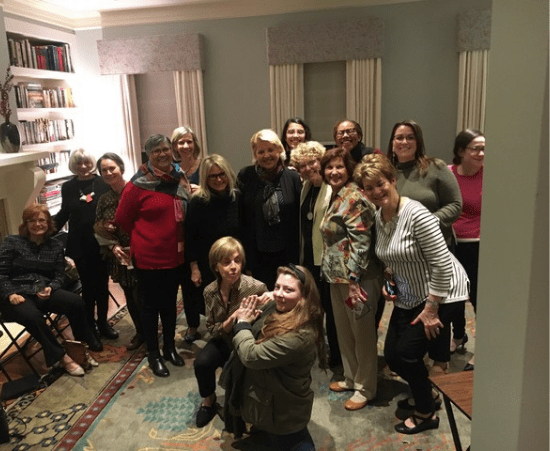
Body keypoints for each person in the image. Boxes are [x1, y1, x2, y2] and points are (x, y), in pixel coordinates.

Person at [356, 153, 469, 434]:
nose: (376, 191)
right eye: (369, 188)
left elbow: (441, 263)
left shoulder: (417, 214)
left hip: (444, 292)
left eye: (380, 184)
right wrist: (390, 278)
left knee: (407, 353)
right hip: (411, 292)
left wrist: (432, 308)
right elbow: (393, 256)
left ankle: (426, 412)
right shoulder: (380, 216)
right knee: (393, 355)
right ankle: (427, 393)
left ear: (392, 180)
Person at [386, 120, 463, 374]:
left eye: (410, 137)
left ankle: (440, 362)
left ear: (418, 141)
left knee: (437, 305)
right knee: (411, 303)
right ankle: (413, 354)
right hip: (404, 254)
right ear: (392, 142)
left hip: (436, 248)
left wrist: (424, 224)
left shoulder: (435, 167)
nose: (404, 142)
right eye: (399, 137)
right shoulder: (388, 172)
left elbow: (455, 205)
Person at [115, 134, 189, 378]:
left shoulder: (179, 177)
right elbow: (122, 220)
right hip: (149, 257)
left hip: (175, 254)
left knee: (169, 305)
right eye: (156, 151)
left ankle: (169, 348)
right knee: (149, 308)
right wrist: (147, 236)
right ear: (148, 155)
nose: (162, 154)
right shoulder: (137, 185)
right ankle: (153, 353)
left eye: (165, 149)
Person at [230, 264, 327, 450]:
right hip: (269, 393)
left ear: (304, 296)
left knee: (291, 438)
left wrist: (242, 324)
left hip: (284, 405)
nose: (279, 294)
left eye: (288, 289)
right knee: (266, 431)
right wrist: (268, 300)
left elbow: (251, 355)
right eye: (277, 287)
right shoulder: (284, 308)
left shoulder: (299, 336)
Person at [0, 205, 102, 376]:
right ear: (25, 224)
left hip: (41, 289)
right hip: (15, 293)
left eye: (42, 220)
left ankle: (80, 348)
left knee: (76, 302)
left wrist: (51, 287)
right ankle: (62, 358)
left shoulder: (55, 245)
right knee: (33, 316)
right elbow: (1, 273)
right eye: (32, 221)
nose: (37, 224)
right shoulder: (12, 242)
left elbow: (59, 275)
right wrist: (10, 294)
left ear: (48, 223)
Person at [319, 147, 383, 411]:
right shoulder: (336, 196)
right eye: (329, 167)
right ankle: (350, 377)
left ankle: (365, 387)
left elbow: (361, 243)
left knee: (362, 334)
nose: (334, 172)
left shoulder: (354, 197)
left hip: (359, 278)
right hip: (337, 277)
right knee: (344, 332)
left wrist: (354, 280)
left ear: (349, 169)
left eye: (339, 167)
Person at [194, 237, 268, 428]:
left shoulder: (256, 288)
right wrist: (232, 319)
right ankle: (209, 399)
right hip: (224, 339)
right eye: (226, 262)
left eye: (237, 261)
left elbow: (266, 327)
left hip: (248, 343)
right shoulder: (209, 291)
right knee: (202, 362)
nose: (234, 267)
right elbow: (212, 329)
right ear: (216, 266)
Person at [54, 149, 116, 344]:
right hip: (80, 245)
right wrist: (46, 230)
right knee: (88, 287)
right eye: (78, 163)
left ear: (92, 163)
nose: (83, 167)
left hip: (101, 243)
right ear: (73, 165)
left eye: (86, 162)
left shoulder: (102, 182)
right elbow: (64, 213)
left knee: (102, 285)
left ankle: (103, 323)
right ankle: (90, 326)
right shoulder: (68, 187)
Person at [290, 141, 341, 368]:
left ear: (321, 161)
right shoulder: (306, 187)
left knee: (331, 309)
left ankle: (336, 356)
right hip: (309, 258)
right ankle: (318, 347)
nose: (308, 168)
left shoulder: (332, 189)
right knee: (313, 307)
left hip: (327, 259)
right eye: (302, 165)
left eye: (312, 162)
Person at [183, 154, 241, 344]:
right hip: (207, 261)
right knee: (210, 300)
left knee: (233, 299)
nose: (218, 179)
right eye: (212, 176)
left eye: (221, 174)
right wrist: (194, 268)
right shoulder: (197, 201)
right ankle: (211, 335)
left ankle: (232, 333)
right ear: (205, 179)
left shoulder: (237, 197)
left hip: (233, 259)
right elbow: (190, 237)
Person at [237, 129, 301, 290]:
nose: (267, 155)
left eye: (271, 150)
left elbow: (298, 219)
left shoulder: (292, 178)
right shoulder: (245, 176)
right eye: (261, 151)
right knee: (261, 298)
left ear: (279, 149)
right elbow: (241, 217)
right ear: (255, 154)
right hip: (257, 254)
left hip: (287, 254)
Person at [94, 153, 144, 351]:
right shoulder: (103, 199)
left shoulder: (136, 191)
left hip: (141, 252)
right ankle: (140, 332)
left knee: (143, 295)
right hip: (119, 256)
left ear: (121, 169)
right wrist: (112, 245)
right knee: (130, 296)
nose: (108, 173)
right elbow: (98, 225)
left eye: (112, 168)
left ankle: (152, 332)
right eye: (104, 170)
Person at [449, 129, 485, 371]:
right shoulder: (448, 174)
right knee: (453, 295)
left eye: (483, 149)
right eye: (475, 149)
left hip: (478, 245)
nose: (481, 153)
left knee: (478, 298)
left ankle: (483, 347)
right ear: (461, 151)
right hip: (452, 245)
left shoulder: (489, 176)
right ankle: (459, 335)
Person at [171, 126, 202, 190]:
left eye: (189, 142)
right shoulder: (175, 167)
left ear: (194, 144)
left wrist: (201, 190)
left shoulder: (204, 166)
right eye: (181, 143)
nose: (186, 146)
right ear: (175, 146)